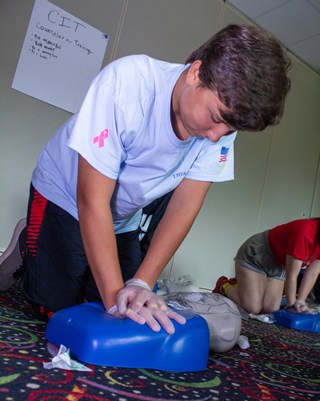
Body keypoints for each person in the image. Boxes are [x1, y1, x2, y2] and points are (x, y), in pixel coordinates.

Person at [0, 24, 291, 334]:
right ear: (196, 73)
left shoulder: (221, 126)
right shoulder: (127, 83)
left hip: (123, 215)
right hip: (65, 194)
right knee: (58, 312)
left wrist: (142, 283)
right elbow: (91, 199)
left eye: (229, 129)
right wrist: (115, 302)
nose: (216, 136)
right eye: (216, 118)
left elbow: (185, 203)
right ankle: (27, 241)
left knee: (119, 307)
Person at [212, 218, 320, 315]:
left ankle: (245, 288)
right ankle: (225, 285)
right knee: (253, 308)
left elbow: (312, 274)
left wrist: (301, 300)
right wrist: (292, 305)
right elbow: (292, 275)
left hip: (278, 265)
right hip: (257, 256)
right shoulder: (305, 231)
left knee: (270, 310)